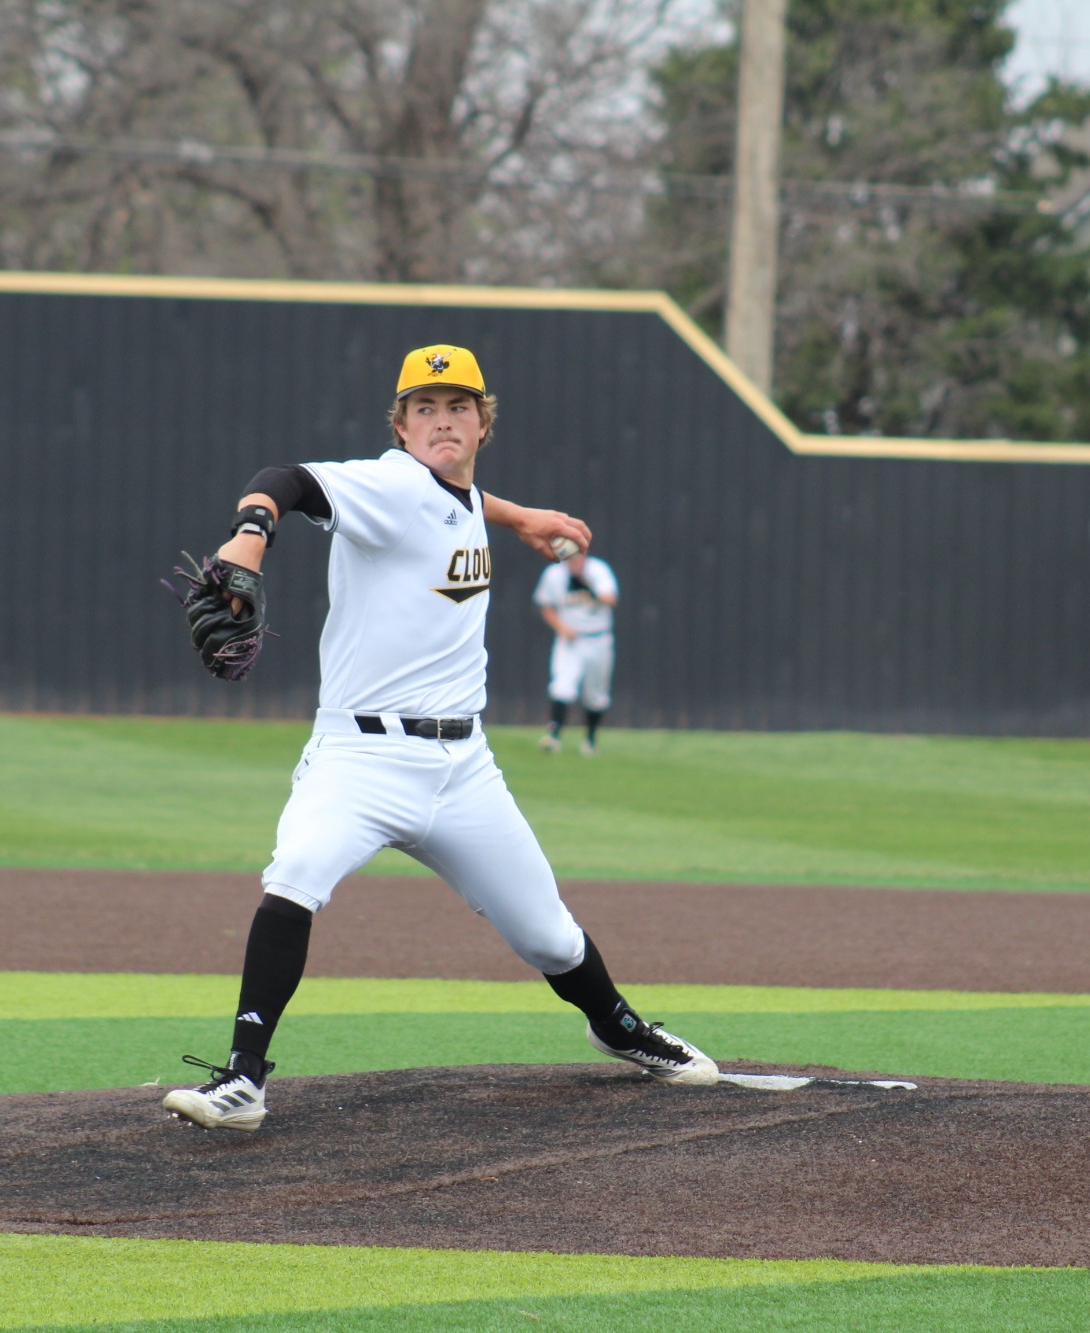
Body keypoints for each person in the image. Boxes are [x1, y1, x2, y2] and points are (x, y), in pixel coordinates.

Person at [159, 343, 717, 1132]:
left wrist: (519, 515)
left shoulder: (450, 493)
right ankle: (244, 1077)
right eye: (425, 408)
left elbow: (456, 501)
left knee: (549, 934)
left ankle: (617, 1026)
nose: (442, 420)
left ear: (483, 423)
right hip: (361, 756)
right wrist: (251, 532)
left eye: (458, 407)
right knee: (296, 873)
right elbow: (288, 480)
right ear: (401, 425)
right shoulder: (387, 482)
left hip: (463, 769)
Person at [533, 548, 618, 755]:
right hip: (570, 639)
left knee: (596, 694)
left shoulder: (598, 570)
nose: (573, 560)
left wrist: (590, 588)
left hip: (598, 638)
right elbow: (545, 605)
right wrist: (561, 627)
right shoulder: (555, 574)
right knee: (562, 686)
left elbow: (611, 599)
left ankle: (590, 740)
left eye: (577, 556)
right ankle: (553, 737)